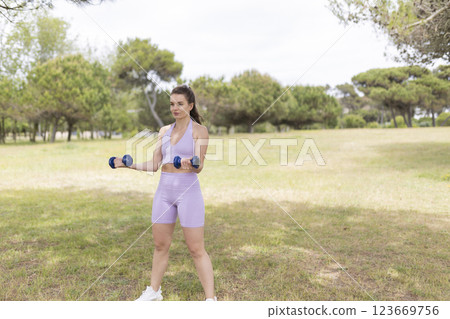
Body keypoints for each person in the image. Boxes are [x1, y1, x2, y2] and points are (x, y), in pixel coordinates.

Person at [112, 84, 216, 301]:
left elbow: (199, 166)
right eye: (172, 104)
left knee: (196, 248)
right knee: (160, 245)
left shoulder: (199, 131)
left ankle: (210, 299)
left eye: (180, 104)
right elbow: (154, 164)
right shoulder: (164, 132)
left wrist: (190, 163)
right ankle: (154, 292)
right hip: (164, 191)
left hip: (188, 192)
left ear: (190, 105)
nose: (175, 108)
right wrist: (126, 165)